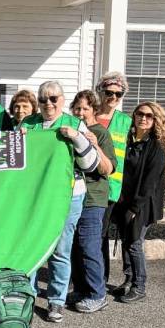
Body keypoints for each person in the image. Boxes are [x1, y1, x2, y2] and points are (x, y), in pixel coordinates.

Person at [19, 81, 99, 323]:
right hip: (35, 195)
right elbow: (15, 160)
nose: (48, 104)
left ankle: (56, 301)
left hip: (68, 194)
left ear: (63, 100)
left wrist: (77, 138)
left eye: (53, 98)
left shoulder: (75, 123)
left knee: (61, 250)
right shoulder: (28, 123)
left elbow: (91, 164)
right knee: (31, 245)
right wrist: (18, 139)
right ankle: (27, 297)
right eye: (43, 99)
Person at [113, 102, 165, 303]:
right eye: (140, 114)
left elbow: (150, 182)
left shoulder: (156, 147)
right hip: (124, 201)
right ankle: (129, 280)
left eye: (149, 115)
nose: (144, 118)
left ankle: (140, 286)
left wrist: (134, 207)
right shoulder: (128, 140)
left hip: (142, 204)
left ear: (155, 120)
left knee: (134, 243)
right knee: (126, 241)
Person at [69, 90, 117, 313]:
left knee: (89, 246)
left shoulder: (100, 133)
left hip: (93, 198)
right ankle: (81, 289)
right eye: (77, 108)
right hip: (72, 196)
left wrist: (95, 145)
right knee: (75, 248)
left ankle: (98, 294)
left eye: (85, 108)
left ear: (95, 110)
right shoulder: (71, 131)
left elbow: (108, 168)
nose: (80, 113)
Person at [94, 71, 132, 287]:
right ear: (100, 91)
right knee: (88, 234)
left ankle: (102, 278)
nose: (114, 98)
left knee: (103, 236)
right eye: (109, 93)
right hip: (89, 185)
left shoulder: (126, 122)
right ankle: (84, 277)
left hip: (114, 188)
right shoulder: (88, 116)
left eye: (119, 94)